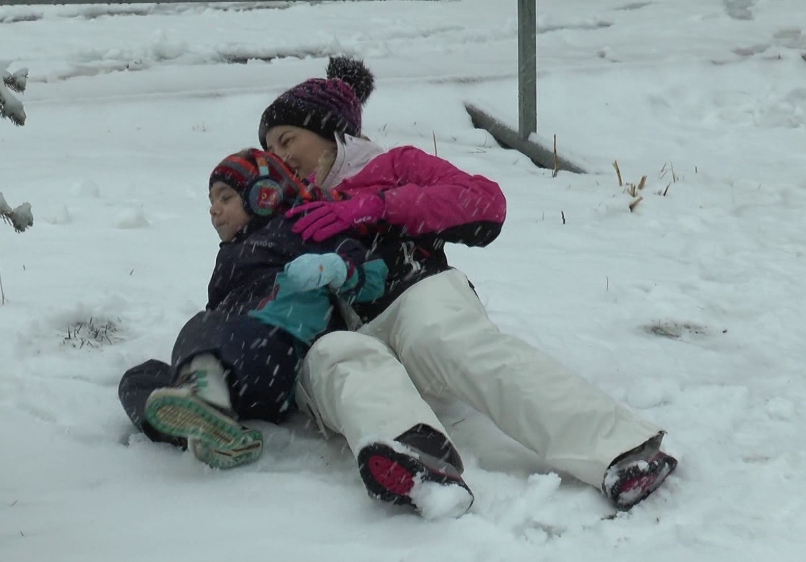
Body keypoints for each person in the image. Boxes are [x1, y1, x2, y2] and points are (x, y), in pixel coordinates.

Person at [258, 56, 678, 518]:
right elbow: (243, 284)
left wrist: (373, 208)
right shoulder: (274, 208)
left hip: (414, 293)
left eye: (286, 139)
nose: (278, 157)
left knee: (444, 338)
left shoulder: (394, 165)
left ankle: (620, 450)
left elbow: (483, 201)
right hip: (337, 331)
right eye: (268, 149)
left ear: (330, 129)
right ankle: (414, 459)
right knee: (335, 357)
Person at [117, 148, 387, 469]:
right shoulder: (229, 256)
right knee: (138, 378)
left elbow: (374, 274)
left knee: (204, 325)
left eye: (225, 198)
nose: (214, 211)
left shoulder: (300, 225)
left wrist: (336, 268)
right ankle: (209, 430)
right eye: (211, 202)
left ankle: (205, 400)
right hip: (240, 371)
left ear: (263, 196)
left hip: (280, 348)